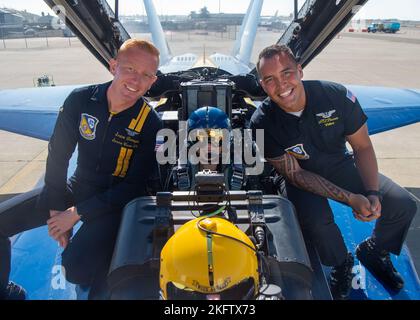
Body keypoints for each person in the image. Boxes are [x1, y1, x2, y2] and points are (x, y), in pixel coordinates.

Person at [250, 44, 417, 300]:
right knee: (317, 222)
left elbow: (362, 146)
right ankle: (341, 264)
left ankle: (375, 250)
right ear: (263, 85)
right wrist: (351, 199)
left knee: (401, 203)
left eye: (287, 73)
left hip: (338, 163)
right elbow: (295, 175)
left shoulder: (335, 96)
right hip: (300, 177)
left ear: (300, 71)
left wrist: (372, 192)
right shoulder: (262, 122)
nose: (281, 85)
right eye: (270, 80)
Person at [0, 39, 162, 300]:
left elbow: (132, 186)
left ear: (152, 81)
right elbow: (59, 154)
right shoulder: (81, 100)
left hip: (112, 202)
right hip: (76, 187)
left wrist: (75, 214)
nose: (136, 80)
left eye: (145, 75)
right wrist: (55, 206)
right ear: (113, 66)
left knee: (76, 269)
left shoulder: (149, 123)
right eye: (130, 68)